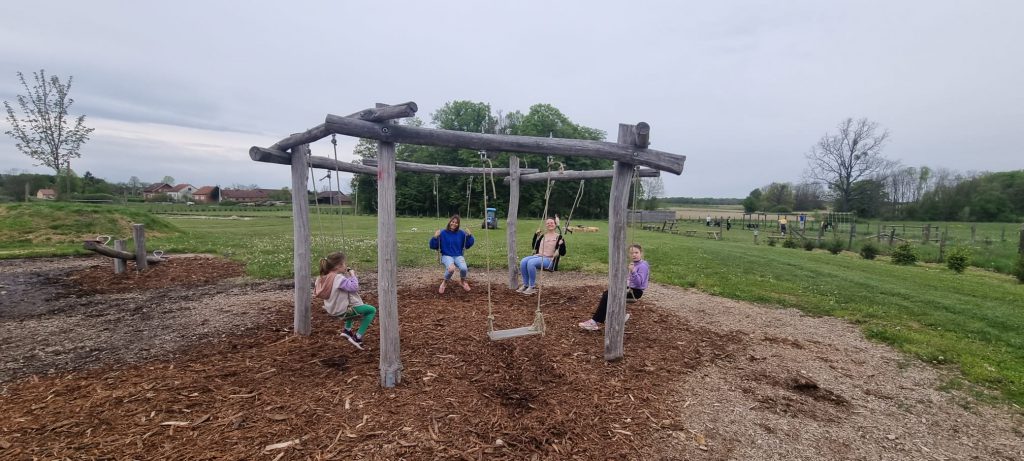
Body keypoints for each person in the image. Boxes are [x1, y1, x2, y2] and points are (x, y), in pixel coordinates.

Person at [314, 252, 377, 350]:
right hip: (343, 311)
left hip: (332, 309)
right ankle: (357, 337)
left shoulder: (323, 278)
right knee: (371, 310)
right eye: (344, 264)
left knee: (349, 303)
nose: (346, 266)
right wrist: (352, 275)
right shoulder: (338, 278)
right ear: (338, 266)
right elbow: (354, 287)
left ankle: (347, 330)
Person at [579, 244, 649, 331]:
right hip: (628, 288)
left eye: (636, 252)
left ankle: (594, 322)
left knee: (608, 295)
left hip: (635, 292)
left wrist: (633, 271)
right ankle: (619, 315)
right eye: (631, 253)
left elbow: (639, 283)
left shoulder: (642, 266)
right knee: (607, 294)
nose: (634, 255)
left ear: (641, 253)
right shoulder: (633, 264)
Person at [517, 218, 566, 295]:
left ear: (555, 224)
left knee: (531, 263)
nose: (550, 224)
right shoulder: (543, 236)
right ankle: (526, 285)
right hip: (538, 256)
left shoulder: (559, 237)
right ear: (546, 225)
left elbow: (563, 253)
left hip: (549, 260)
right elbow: (534, 246)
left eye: (552, 223)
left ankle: (532, 286)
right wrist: (535, 235)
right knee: (523, 261)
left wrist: (561, 244)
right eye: (548, 223)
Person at [429, 214, 475, 294]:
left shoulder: (461, 233)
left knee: (464, 268)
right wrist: (435, 237)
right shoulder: (442, 233)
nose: (454, 224)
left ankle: (462, 282)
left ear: (458, 224)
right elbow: (433, 246)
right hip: (446, 255)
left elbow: (468, 244)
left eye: (456, 223)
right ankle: (444, 283)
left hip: (458, 255)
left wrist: (470, 235)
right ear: (450, 222)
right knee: (451, 269)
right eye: (453, 222)